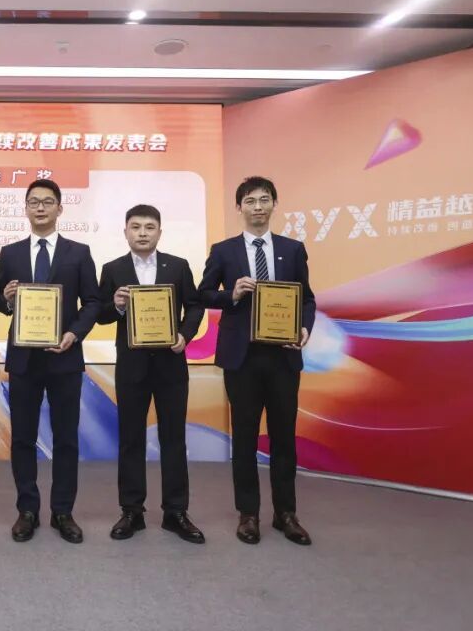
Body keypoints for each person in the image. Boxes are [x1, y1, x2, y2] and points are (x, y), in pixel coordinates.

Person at [198, 176, 316, 546]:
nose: (258, 207)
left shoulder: (293, 249)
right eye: (250, 201)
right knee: (245, 437)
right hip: (242, 358)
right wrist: (231, 294)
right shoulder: (224, 251)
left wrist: (304, 327)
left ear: (274, 204)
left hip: (283, 357)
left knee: (283, 438)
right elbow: (203, 294)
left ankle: (286, 514)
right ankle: (248, 514)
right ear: (239, 207)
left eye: (265, 200)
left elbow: (307, 298)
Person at [0, 179, 100, 544]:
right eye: (34, 202)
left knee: (66, 438)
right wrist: (7, 299)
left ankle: (62, 511)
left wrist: (75, 333)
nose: (40, 207)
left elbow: (93, 302)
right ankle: (27, 510)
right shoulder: (10, 253)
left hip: (64, 357)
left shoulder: (79, 252)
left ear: (59, 208)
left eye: (48, 202)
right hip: (24, 359)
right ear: (26, 208)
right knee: (23, 438)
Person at [96, 205, 205, 543]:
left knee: (174, 438)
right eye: (135, 227)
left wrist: (184, 335)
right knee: (131, 438)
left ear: (159, 232)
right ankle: (132, 511)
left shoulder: (178, 265)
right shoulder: (113, 269)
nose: (142, 233)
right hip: (132, 366)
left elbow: (195, 305)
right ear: (125, 232)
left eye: (149, 227)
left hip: (171, 364)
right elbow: (100, 314)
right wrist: (116, 305)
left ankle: (176, 512)